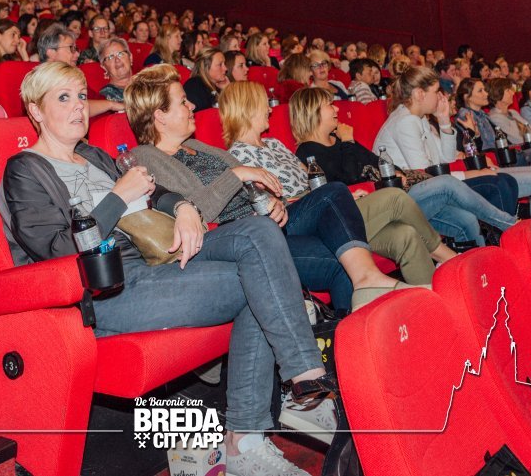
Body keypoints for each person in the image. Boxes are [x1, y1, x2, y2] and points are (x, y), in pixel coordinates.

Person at [3, 62, 334, 476]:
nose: (78, 107)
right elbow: (56, 252)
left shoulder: (92, 155)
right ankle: (249, 438)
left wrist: (182, 208)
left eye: (81, 96)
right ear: (35, 110)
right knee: (258, 280)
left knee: (258, 232)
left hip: (155, 261)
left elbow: (154, 189)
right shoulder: (25, 169)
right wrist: (116, 197)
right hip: (108, 288)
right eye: (64, 98)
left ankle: (302, 374)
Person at [125, 65, 416, 314]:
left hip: (268, 223)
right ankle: (361, 303)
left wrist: (272, 201)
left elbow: (252, 189)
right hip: (241, 239)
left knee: (335, 195)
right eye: (183, 102)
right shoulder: (145, 157)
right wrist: (237, 174)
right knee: (337, 257)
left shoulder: (196, 146)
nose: (192, 106)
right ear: (160, 116)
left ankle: (364, 299)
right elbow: (198, 209)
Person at [224, 82, 454, 286]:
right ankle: (447, 257)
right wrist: (331, 196)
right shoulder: (239, 156)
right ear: (248, 107)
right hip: (302, 220)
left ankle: (431, 301)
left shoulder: (274, 144)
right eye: (264, 104)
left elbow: (315, 181)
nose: (270, 109)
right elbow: (270, 205)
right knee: (395, 198)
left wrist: (342, 197)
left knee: (405, 235)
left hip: (326, 207)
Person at [291, 85, 514, 247]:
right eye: (329, 105)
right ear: (313, 112)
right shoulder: (309, 152)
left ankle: (477, 270)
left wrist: (396, 172)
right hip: (377, 207)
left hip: (399, 191)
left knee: (465, 220)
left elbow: (378, 162)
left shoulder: (340, 139)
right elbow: (347, 179)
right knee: (446, 183)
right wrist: (348, 142)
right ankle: (509, 225)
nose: (337, 110)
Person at [374, 66, 521, 219]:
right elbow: (425, 175)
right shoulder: (405, 121)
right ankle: (509, 226)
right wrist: (472, 174)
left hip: (432, 186)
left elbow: (447, 159)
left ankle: (505, 227)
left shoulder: (419, 118)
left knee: (506, 180)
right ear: (419, 94)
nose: (440, 96)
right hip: (414, 194)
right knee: (498, 184)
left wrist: (444, 121)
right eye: (436, 91)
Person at [454, 77, 531, 204]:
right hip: (499, 159)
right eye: (480, 91)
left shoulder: (482, 115)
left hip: (506, 154)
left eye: (485, 90)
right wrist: (474, 134)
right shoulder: (466, 117)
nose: (486, 94)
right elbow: (475, 148)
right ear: (467, 96)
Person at [97, 37, 134, 102]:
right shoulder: (105, 96)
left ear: (130, 58)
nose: (117, 60)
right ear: (104, 67)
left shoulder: (147, 84)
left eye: (120, 54)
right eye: (110, 57)